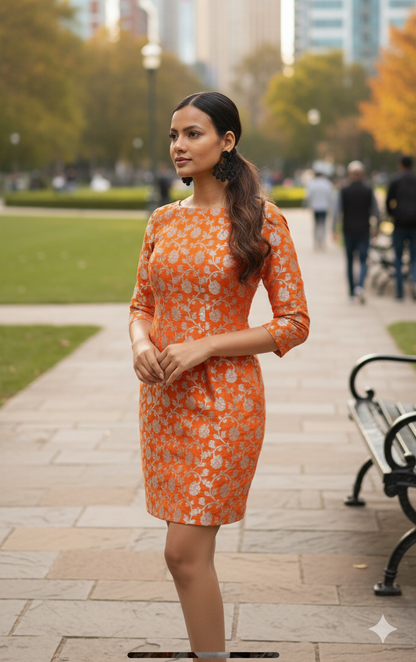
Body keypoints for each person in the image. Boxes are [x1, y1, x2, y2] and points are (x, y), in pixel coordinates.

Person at [129, 92, 309, 659]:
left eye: (193, 134)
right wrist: (139, 342)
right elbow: (141, 304)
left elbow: (294, 323)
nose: (179, 146)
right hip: (164, 400)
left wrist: (206, 345)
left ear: (226, 141)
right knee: (186, 553)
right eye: (174, 136)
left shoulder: (261, 218)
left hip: (226, 403)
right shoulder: (162, 220)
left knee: (181, 553)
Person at [333, 160, 380, 302]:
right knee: (363, 260)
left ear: (349, 174)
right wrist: (377, 227)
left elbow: (337, 211)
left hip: (348, 231)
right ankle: (360, 285)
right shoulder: (368, 190)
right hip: (364, 230)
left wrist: (334, 229)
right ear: (363, 174)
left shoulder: (344, 191)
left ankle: (351, 292)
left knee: (349, 261)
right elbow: (376, 211)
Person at [386, 155, 416, 300]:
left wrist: (393, 214)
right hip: (414, 225)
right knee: (414, 257)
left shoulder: (396, 181)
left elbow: (388, 202)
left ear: (401, 165)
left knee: (398, 258)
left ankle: (399, 292)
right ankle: (414, 281)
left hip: (399, 224)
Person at [306, 170, 334, 250]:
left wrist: (309, 206)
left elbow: (309, 196)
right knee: (323, 225)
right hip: (324, 207)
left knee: (316, 225)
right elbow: (330, 196)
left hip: (315, 207)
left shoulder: (312, 183)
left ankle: (315, 242)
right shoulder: (327, 183)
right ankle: (322, 242)